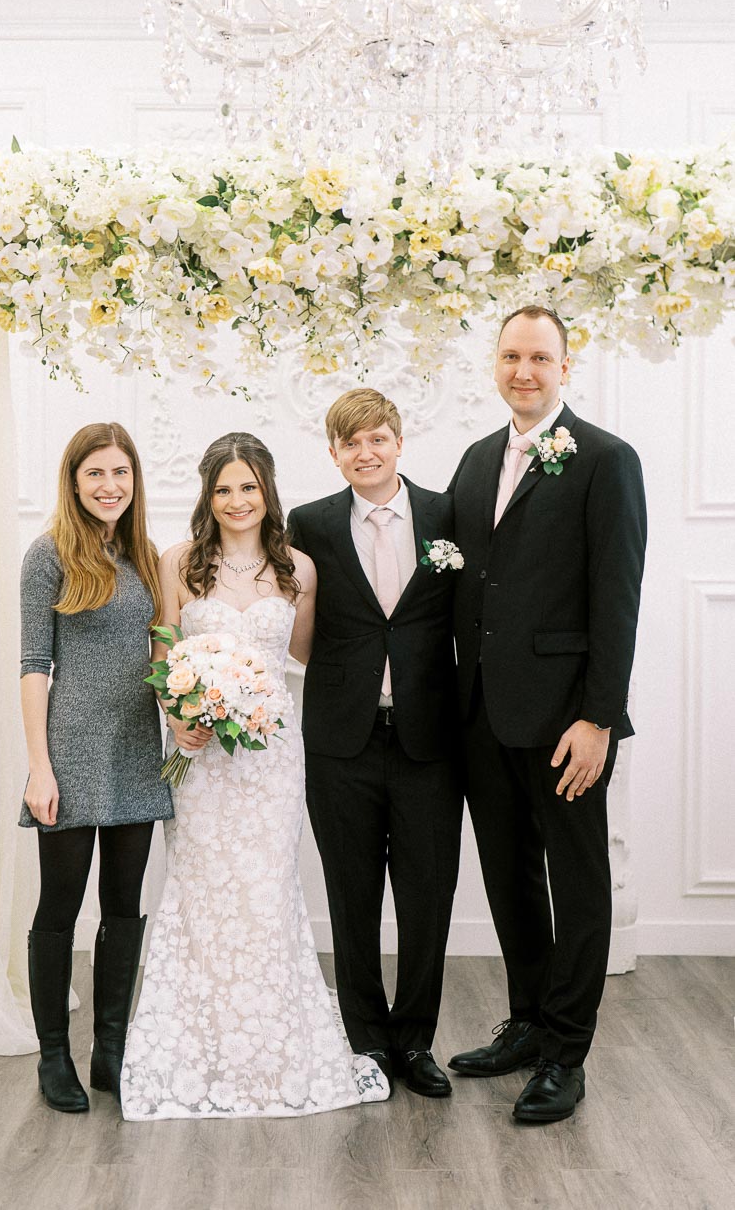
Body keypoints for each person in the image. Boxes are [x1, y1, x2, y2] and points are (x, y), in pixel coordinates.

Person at [120, 432, 388, 1120]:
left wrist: (254, 699)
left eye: (249, 486)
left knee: (267, 890)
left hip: (272, 760)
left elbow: (297, 663)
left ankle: (271, 1048)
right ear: (207, 497)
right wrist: (180, 715)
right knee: (203, 890)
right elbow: (163, 654)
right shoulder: (179, 563)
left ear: (267, 490)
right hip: (201, 759)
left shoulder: (298, 568)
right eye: (223, 489)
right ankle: (200, 1045)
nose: (237, 501)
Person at [447, 306, 647, 1124]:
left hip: (568, 722)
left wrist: (599, 718)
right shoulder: (473, 459)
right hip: (484, 714)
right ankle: (527, 1021)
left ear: (567, 365)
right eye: (510, 356)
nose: (523, 370)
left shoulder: (605, 459)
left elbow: (617, 597)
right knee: (510, 877)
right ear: (495, 364)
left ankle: (568, 1053)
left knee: (578, 883)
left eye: (539, 357)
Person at [287, 389, 464, 1100]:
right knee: (350, 896)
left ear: (399, 442)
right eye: (351, 442)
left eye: (378, 438)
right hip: (341, 740)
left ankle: (415, 1040)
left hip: (429, 739)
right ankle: (365, 1040)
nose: (366, 452)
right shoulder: (311, 524)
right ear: (334, 452)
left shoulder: (447, 515)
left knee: (428, 897)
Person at [19, 422, 173, 1113]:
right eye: (95, 474)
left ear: (134, 481)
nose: (110, 486)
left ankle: (109, 1051)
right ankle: (55, 1056)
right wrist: (39, 767)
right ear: (74, 481)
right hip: (72, 752)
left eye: (121, 473)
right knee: (60, 906)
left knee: (123, 906)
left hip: (137, 748)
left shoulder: (146, 554)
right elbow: (33, 666)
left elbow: (163, 652)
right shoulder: (47, 555)